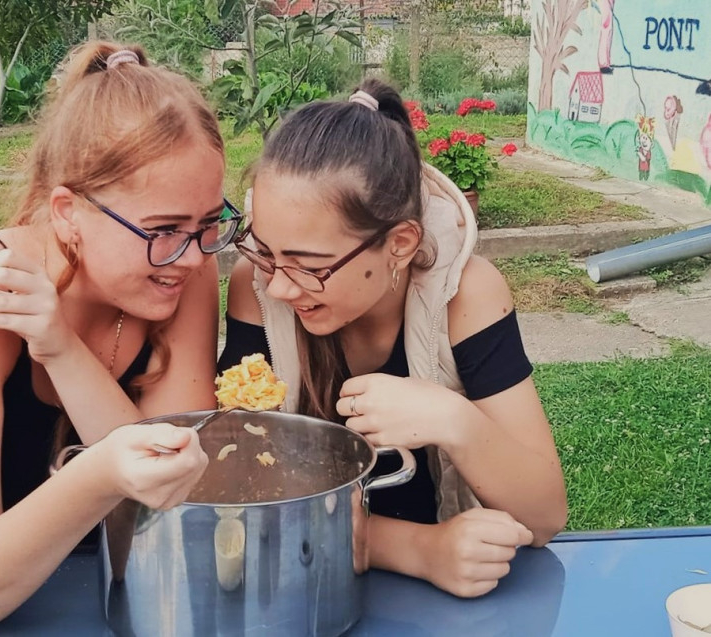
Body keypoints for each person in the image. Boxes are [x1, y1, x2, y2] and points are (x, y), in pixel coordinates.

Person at [0, 41, 240, 634]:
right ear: (67, 212)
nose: (192, 256)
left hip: (95, 549)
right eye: (163, 229)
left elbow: (173, 496)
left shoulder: (183, 267)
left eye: (210, 223)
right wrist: (101, 474)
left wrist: (62, 350)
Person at [218, 79, 568, 598]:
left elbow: (543, 515)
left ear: (400, 244)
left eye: (309, 265)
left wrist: (454, 420)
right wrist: (419, 550)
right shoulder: (258, 291)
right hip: (301, 588)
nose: (279, 286)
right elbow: (239, 491)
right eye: (266, 251)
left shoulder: (466, 296)